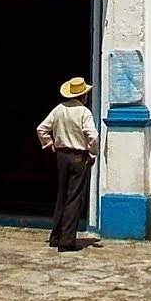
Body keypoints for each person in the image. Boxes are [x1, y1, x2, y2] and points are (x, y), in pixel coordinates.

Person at [37, 77, 98, 251]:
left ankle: (55, 236)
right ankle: (66, 240)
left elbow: (41, 129)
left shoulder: (59, 110)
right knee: (74, 198)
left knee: (62, 195)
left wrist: (49, 144)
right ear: (83, 96)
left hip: (62, 156)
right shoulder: (84, 113)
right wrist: (92, 153)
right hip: (79, 157)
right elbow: (92, 136)